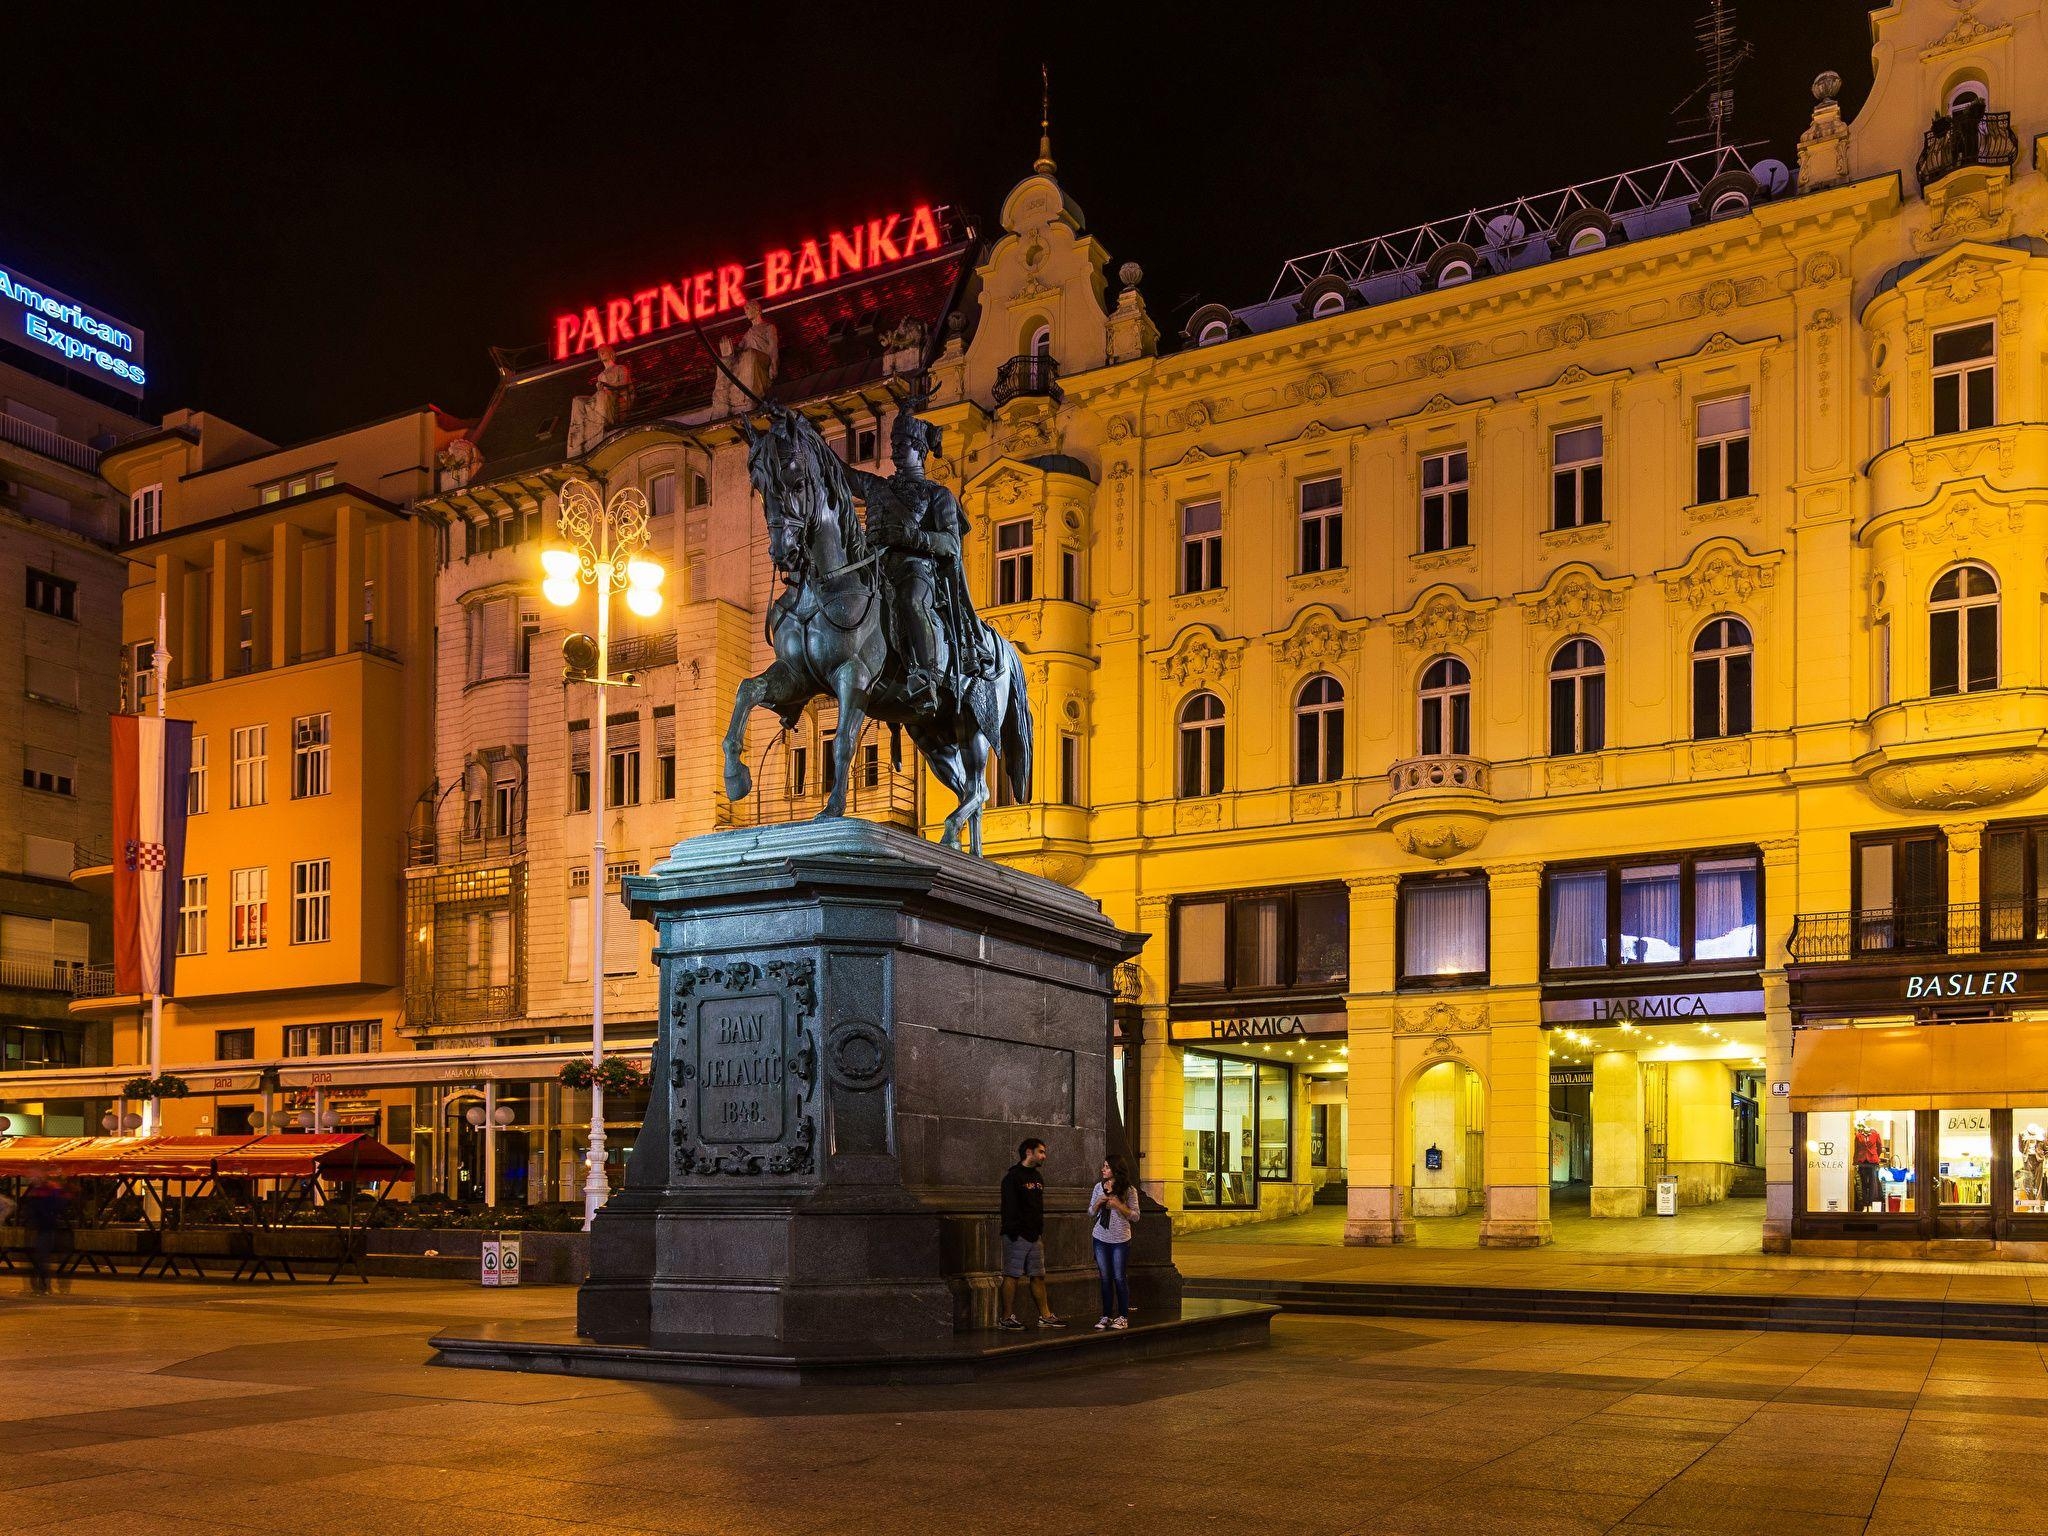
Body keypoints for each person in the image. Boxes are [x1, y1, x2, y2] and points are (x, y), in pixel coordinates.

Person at [997, 1138, 1063, 1330]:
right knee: (1012, 1275)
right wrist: (1015, 1231)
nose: (1044, 1156)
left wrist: (1037, 1231)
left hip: (1034, 1236)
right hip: (1016, 1235)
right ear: (1029, 1152)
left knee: (1038, 1275)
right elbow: (1008, 1208)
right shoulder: (1013, 1177)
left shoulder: (1037, 1178)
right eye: (1041, 1151)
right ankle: (1006, 1317)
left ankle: (1045, 1315)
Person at [1089, 1155, 1139, 1331]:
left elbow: (1135, 1216)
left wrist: (1119, 1205)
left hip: (1120, 1239)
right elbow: (1090, 1212)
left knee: (1119, 1277)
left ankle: (1123, 1316)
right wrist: (1098, 1203)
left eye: (1107, 1167)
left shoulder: (1129, 1190)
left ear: (1116, 1170)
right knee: (1105, 1278)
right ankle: (1106, 1315)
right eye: (1103, 1166)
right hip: (1100, 1237)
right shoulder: (1098, 1187)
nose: (1103, 1169)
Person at [20, 1174, 70, 1296]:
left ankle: (41, 1286)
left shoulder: (40, 1193)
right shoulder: (50, 1192)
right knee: (43, 1259)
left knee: (40, 1259)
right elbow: (60, 1205)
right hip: (46, 1229)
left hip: (42, 1229)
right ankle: (44, 1286)